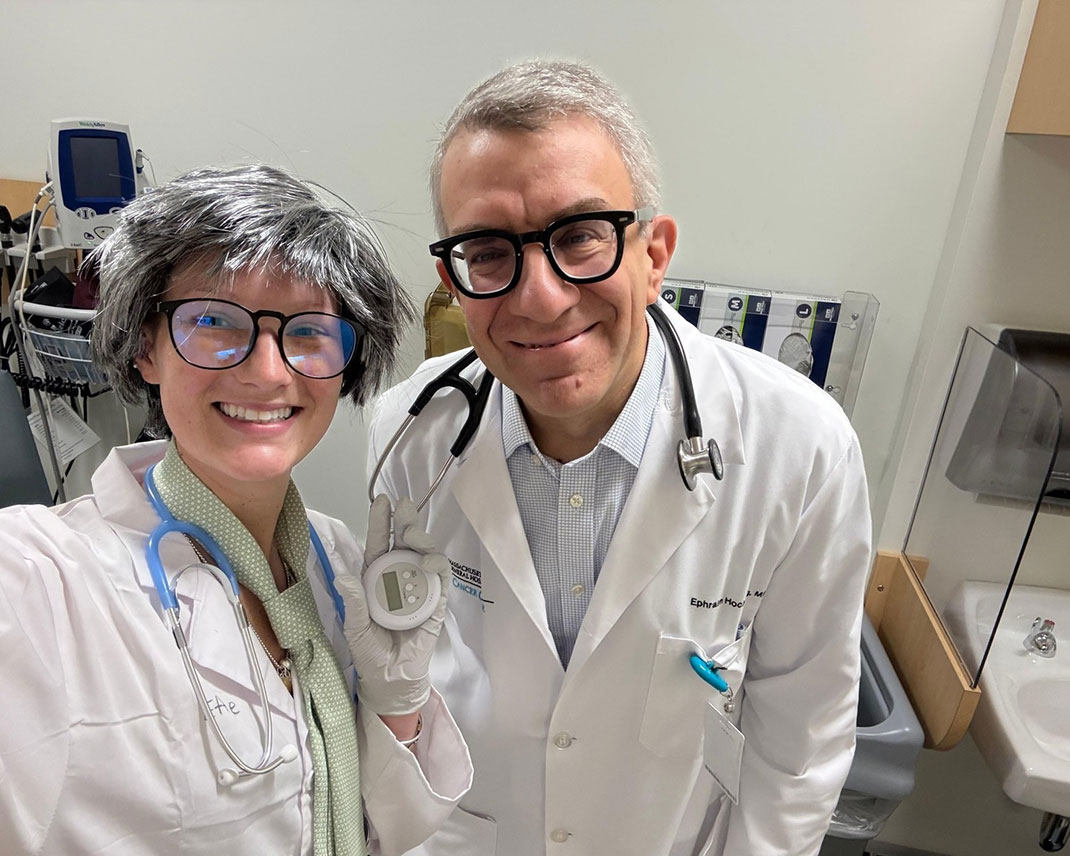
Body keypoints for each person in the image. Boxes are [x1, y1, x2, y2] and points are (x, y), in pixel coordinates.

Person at [367, 61, 872, 855]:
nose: (540, 295)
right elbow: (406, 682)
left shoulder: (800, 447)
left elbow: (802, 738)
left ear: (653, 253)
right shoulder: (411, 433)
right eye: (490, 252)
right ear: (454, 282)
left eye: (578, 236)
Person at [0, 164, 471, 856]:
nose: (269, 370)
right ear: (145, 346)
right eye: (215, 321)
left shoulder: (339, 564)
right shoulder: (41, 581)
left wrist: (396, 703)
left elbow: (378, 828)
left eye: (309, 331)